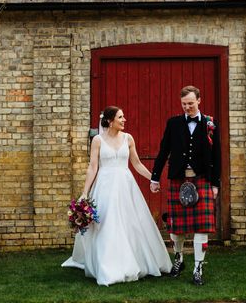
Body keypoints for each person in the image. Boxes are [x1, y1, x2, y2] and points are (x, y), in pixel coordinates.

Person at [62, 106, 172, 286]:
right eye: (120, 117)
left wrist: (154, 179)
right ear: (110, 120)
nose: (124, 120)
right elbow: (93, 167)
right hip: (105, 186)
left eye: (123, 117)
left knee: (131, 223)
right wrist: (85, 192)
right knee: (107, 224)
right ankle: (108, 266)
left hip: (125, 185)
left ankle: (136, 260)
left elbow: (136, 164)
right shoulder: (98, 140)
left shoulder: (128, 138)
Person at [150, 85, 220, 286]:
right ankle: (179, 258)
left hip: (202, 179)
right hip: (179, 179)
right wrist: (155, 177)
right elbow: (163, 151)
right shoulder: (173, 123)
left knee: (202, 227)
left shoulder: (210, 124)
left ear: (199, 100)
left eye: (190, 103)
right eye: (184, 104)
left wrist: (215, 183)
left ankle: (198, 267)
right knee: (176, 227)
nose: (187, 107)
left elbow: (216, 155)